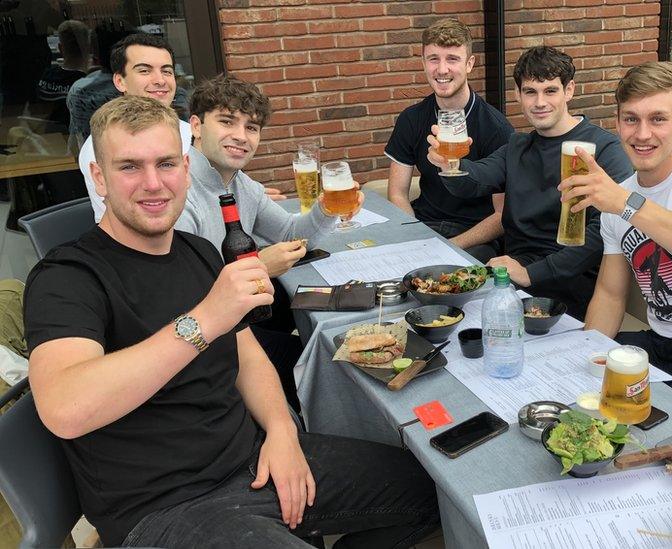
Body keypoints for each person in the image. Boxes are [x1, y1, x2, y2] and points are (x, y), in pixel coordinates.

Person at [23, 95, 439, 548]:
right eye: (129, 167)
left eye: (165, 164)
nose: (153, 183)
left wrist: (282, 433)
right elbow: (65, 409)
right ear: (99, 177)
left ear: (185, 167)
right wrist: (203, 320)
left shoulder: (199, 251)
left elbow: (248, 357)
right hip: (164, 508)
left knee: (435, 490)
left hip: (253, 460)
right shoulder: (68, 276)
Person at [176, 74, 363, 418]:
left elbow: (291, 232)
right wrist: (261, 265)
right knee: (317, 356)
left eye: (252, 127)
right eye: (227, 122)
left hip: (242, 316)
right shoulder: (177, 192)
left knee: (338, 311)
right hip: (203, 340)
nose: (241, 136)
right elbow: (185, 293)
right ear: (196, 126)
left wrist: (326, 207)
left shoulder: (241, 184)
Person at [558, 62, 672, 402]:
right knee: (567, 389)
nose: (642, 134)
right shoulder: (618, 199)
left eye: (658, 119)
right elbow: (610, 294)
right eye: (631, 119)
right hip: (657, 343)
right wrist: (586, 355)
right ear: (617, 123)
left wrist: (624, 203)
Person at [428, 46, 634, 318]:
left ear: (568, 91)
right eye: (530, 92)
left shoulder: (604, 148)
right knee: (437, 296)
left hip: (570, 281)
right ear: (518, 95)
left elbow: (605, 231)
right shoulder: (518, 145)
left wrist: (530, 273)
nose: (539, 102)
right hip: (514, 271)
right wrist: (450, 166)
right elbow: (474, 182)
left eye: (550, 91)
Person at [385, 18, 514, 262]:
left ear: (469, 64)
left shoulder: (497, 128)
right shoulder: (411, 119)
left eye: (452, 59)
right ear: (423, 63)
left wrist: (449, 246)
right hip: (424, 227)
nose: (442, 69)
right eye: (434, 58)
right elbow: (398, 193)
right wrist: (416, 238)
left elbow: (502, 216)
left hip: (475, 237)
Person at [79, 33, 191, 222]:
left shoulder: (190, 131)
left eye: (166, 71)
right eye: (144, 71)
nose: (160, 80)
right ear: (119, 81)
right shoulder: (103, 144)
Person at [33, 20, 89, 134]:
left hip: (49, 137)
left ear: (60, 47)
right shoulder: (89, 84)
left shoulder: (46, 77)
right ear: (89, 47)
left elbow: (38, 112)